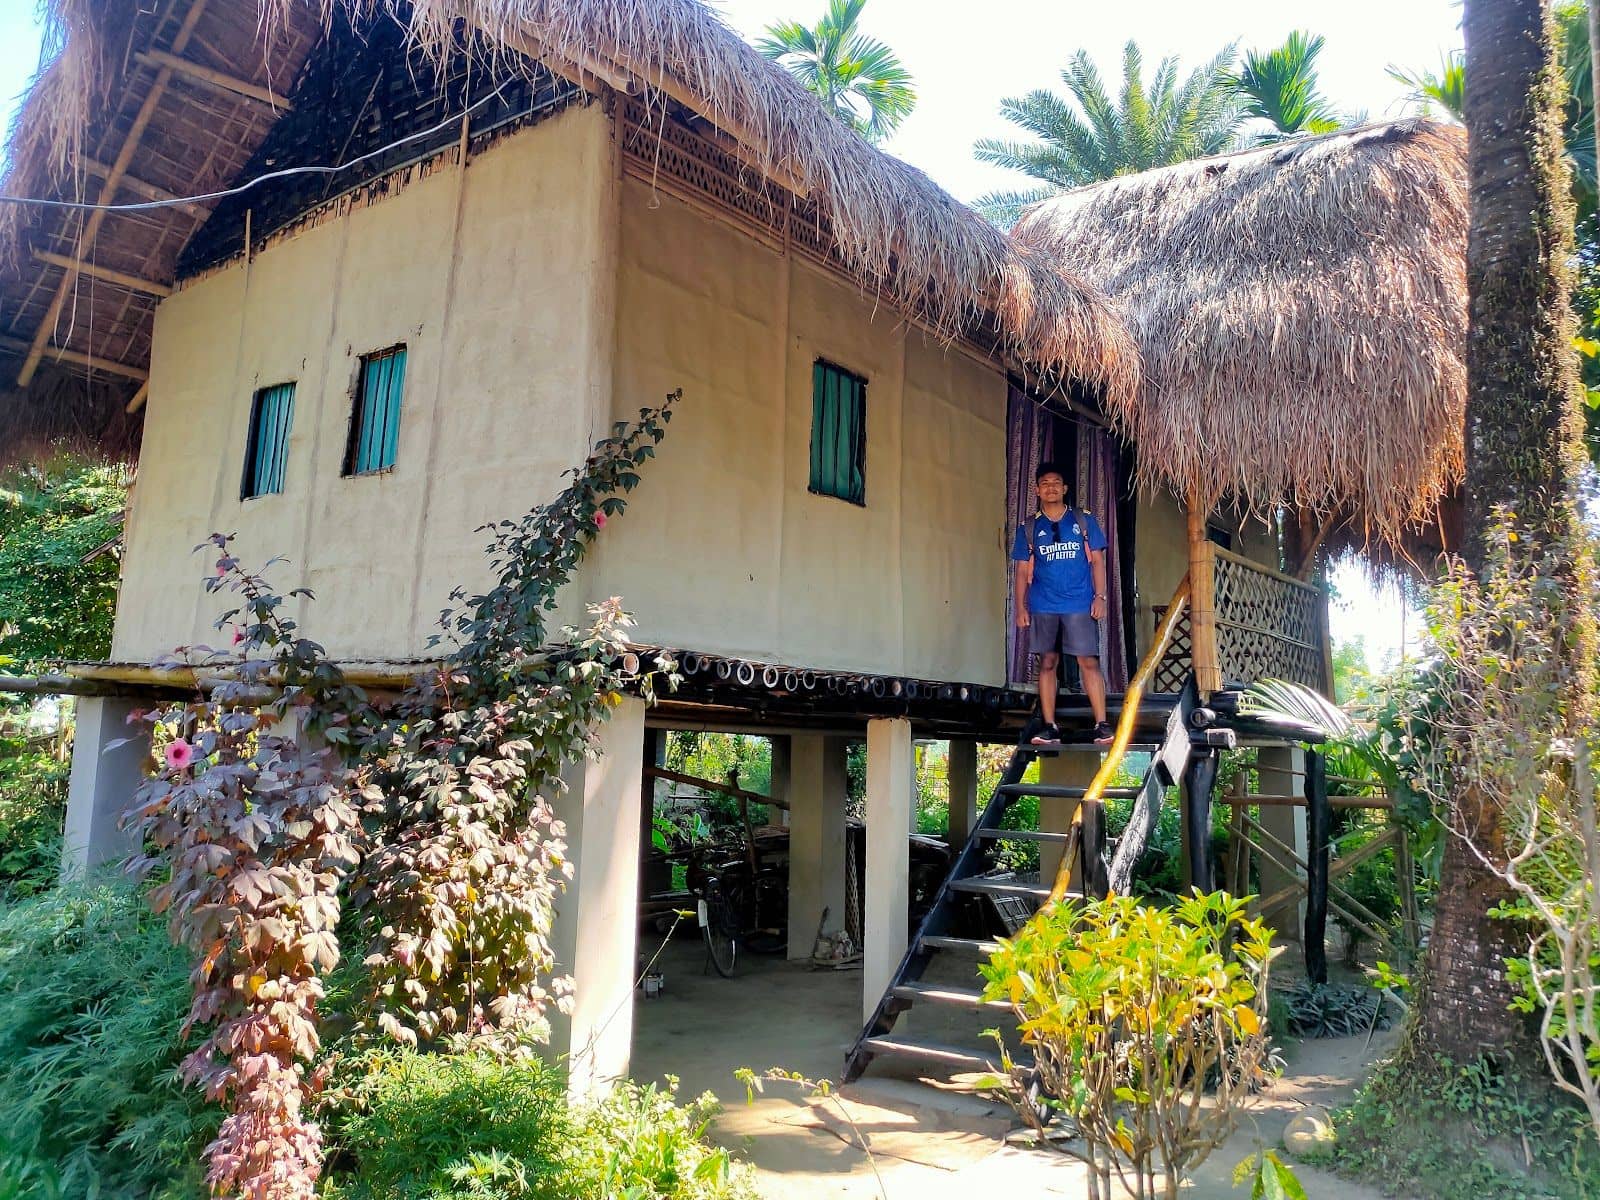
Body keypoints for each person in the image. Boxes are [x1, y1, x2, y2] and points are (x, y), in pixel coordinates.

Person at [1011, 462, 1113, 746]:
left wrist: (1100, 596)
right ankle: (1050, 726)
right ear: (1036, 490)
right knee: (1048, 662)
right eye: (1045, 483)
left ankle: (1102, 725)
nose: (1051, 487)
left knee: (1088, 661)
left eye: (1056, 482)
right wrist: (1020, 607)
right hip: (1044, 604)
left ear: (1065, 488)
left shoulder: (1083, 521)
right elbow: (1021, 570)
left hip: (1079, 602)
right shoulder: (1029, 527)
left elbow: (1097, 561)